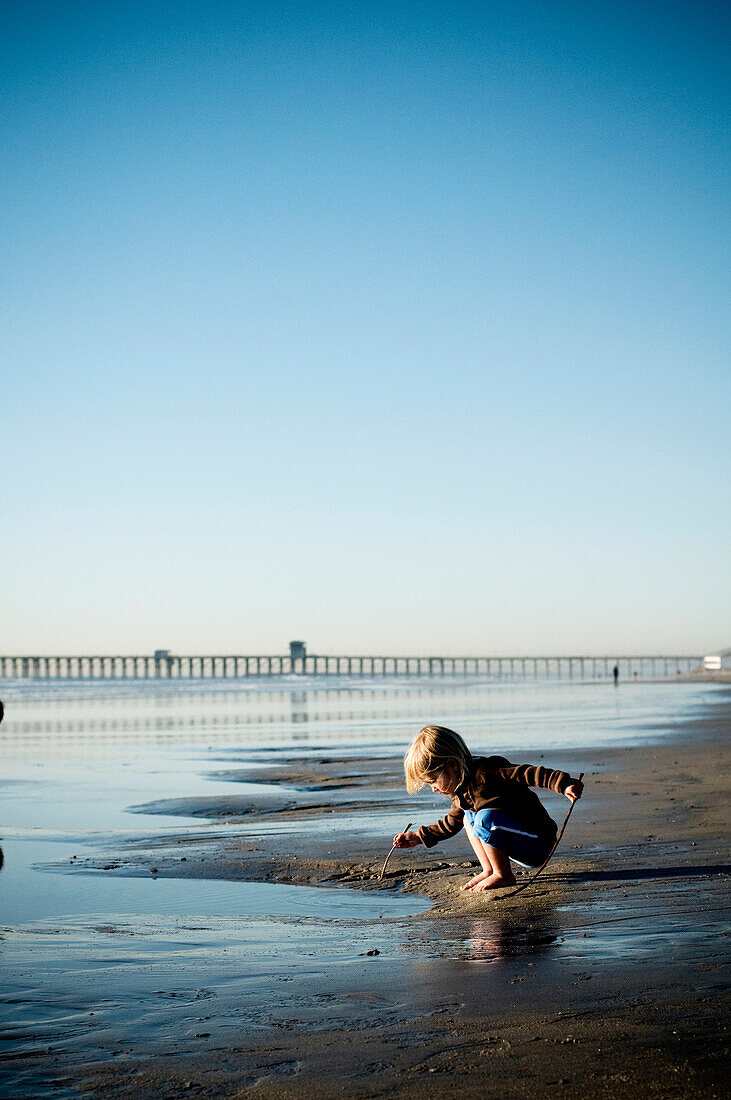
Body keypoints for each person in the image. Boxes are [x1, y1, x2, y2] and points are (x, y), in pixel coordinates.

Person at [393, 725, 583, 892]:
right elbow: (451, 822)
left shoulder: (488, 771)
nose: (433, 788)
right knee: (468, 817)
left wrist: (563, 784)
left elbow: (528, 773)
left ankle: (503, 875)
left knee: (484, 818)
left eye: (433, 780)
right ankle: (490, 869)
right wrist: (419, 836)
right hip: (516, 842)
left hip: (537, 843)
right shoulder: (461, 791)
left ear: (453, 765)